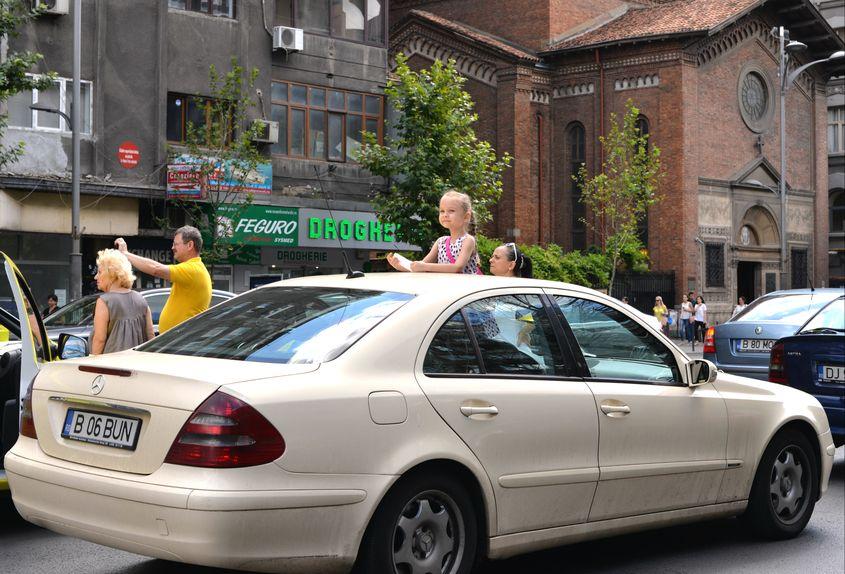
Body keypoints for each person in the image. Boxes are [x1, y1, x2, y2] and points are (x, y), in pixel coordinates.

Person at [115, 225, 212, 333]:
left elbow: (156, 269)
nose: (172, 248)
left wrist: (125, 254)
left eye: (176, 244)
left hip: (180, 342)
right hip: (176, 340)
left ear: (190, 245)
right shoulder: (193, 269)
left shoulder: (194, 269)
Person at [387, 190, 483, 274]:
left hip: (465, 290)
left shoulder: (468, 240)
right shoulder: (441, 241)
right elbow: (422, 267)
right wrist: (401, 266)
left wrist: (425, 266)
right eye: (442, 211)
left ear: (466, 217)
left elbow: (457, 267)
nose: (445, 215)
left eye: (451, 211)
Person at [90, 249, 154, 355]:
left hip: (112, 365)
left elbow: (99, 340)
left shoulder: (104, 301)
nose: (96, 276)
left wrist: (92, 364)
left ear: (112, 274)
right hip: (138, 364)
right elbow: (150, 336)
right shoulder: (141, 299)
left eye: (100, 272)